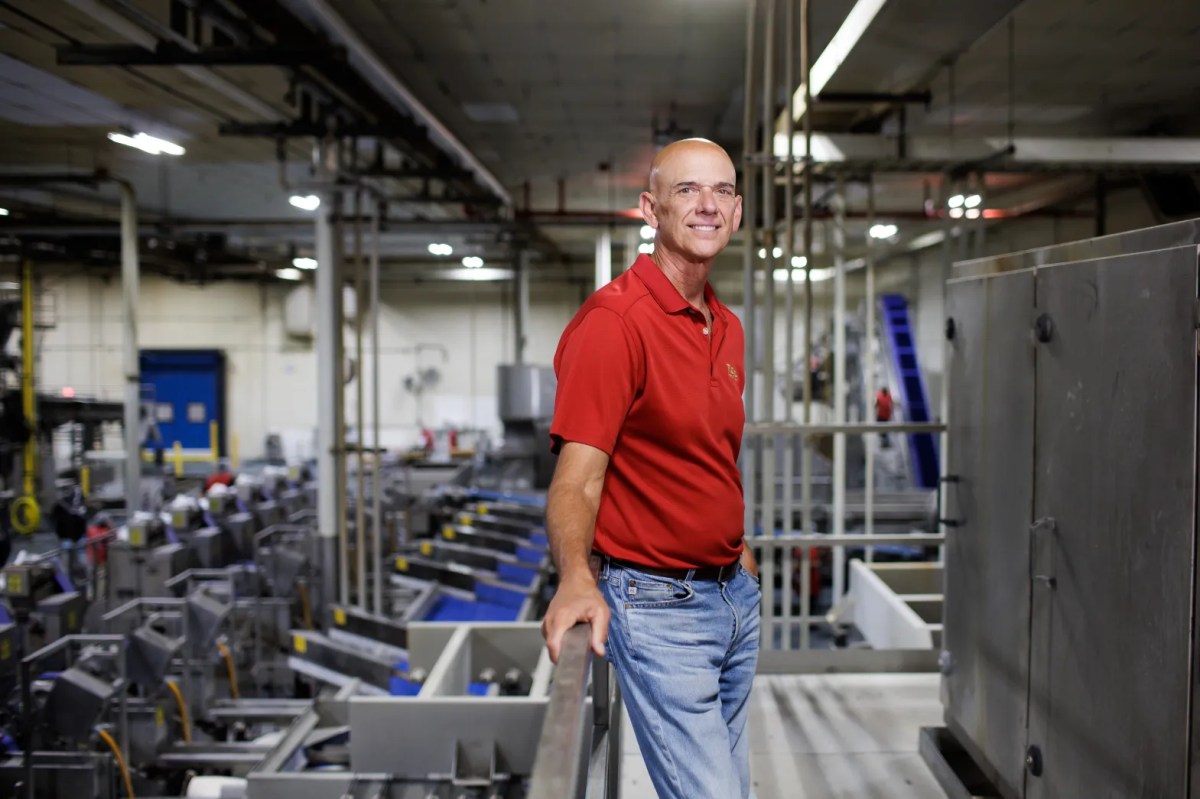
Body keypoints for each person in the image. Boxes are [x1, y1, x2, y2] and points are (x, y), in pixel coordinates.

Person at [541, 138, 760, 799]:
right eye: (688, 189)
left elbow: (708, 453)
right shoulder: (615, 323)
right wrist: (576, 575)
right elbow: (576, 479)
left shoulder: (726, 325)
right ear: (650, 208)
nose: (707, 205)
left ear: (738, 211)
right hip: (660, 608)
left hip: (733, 598)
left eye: (722, 191)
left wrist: (736, 550)